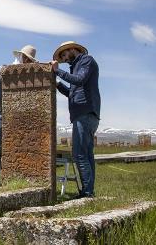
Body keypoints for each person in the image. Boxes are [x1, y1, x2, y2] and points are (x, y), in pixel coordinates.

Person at [50, 41, 101, 197]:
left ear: (72, 49)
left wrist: (58, 71)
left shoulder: (87, 60)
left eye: (65, 55)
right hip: (84, 113)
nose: (65, 59)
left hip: (85, 113)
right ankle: (89, 191)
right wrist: (57, 83)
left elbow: (79, 80)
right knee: (87, 154)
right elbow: (72, 93)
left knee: (79, 153)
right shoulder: (75, 67)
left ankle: (87, 193)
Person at [0, 45, 37, 186]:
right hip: (2, 112)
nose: (27, 61)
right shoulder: (4, 67)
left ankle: (15, 180)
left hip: (20, 115)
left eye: (30, 60)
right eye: (26, 58)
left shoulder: (29, 72)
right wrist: (11, 75)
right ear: (21, 56)